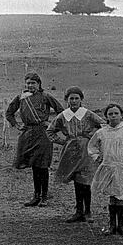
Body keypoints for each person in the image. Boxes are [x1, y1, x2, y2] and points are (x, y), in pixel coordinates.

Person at [46, 86, 106, 223]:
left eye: (76, 98)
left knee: (85, 180)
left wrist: (91, 136)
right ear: (67, 100)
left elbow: (103, 125)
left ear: (81, 99)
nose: (73, 101)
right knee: (76, 181)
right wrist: (63, 141)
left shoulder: (88, 114)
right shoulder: (63, 116)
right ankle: (79, 211)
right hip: (70, 150)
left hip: (85, 149)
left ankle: (88, 211)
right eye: (71, 98)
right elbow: (50, 131)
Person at [5, 72, 64, 207]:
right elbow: (9, 113)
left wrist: (51, 125)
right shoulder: (21, 97)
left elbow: (61, 111)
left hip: (43, 133)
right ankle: (36, 196)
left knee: (42, 165)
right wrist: (17, 125)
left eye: (33, 83)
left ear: (39, 84)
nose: (30, 85)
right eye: (28, 83)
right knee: (34, 165)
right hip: (28, 133)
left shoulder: (46, 96)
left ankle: (44, 197)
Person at [88, 104, 123, 236]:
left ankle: (122, 225)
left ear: (121, 115)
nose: (113, 116)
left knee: (120, 194)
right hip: (108, 166)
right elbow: (92, 146)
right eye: (110, 114)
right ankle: (112, 224)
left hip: (121, 166)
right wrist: (96, 157)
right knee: (112, 196)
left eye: (116, 113)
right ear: (106, 116)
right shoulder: (102, 132)